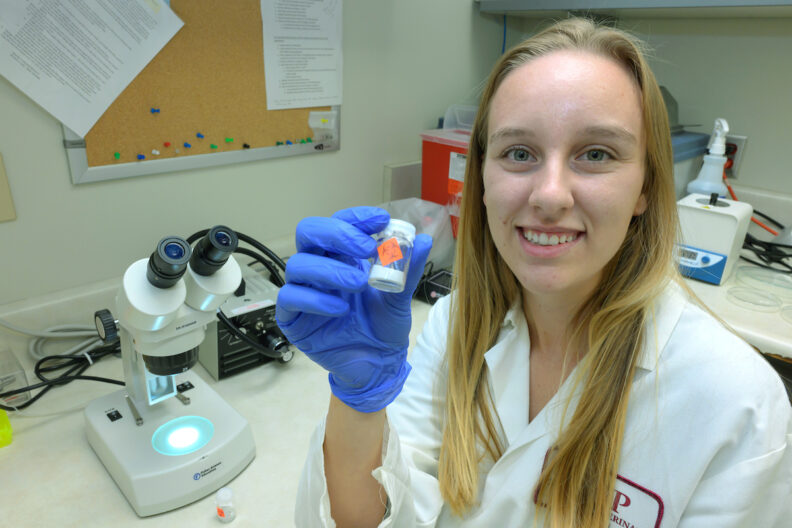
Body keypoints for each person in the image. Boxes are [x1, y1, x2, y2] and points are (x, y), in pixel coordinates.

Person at [276, 17, 792, 528]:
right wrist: (357, 400)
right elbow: (375, 516)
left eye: (596, 154)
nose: (548, 195)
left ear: (644, 189)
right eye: (519, 152)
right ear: (480, 177)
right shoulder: (455, 322)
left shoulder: (738, 404)